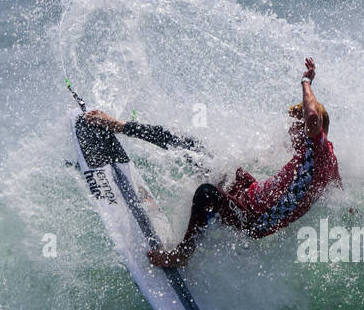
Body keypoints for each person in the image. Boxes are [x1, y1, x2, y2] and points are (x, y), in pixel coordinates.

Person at [79, 57, 340, 269]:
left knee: (206, 194)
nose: (289, 132)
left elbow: (313, 118)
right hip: (247, 193)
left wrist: (306, 81)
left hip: (252, 220)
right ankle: (119, 125)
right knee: (195, 149)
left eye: (294, 126)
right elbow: (339, 189)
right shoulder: (329, 159)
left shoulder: (315, 147)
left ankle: (181, 255)